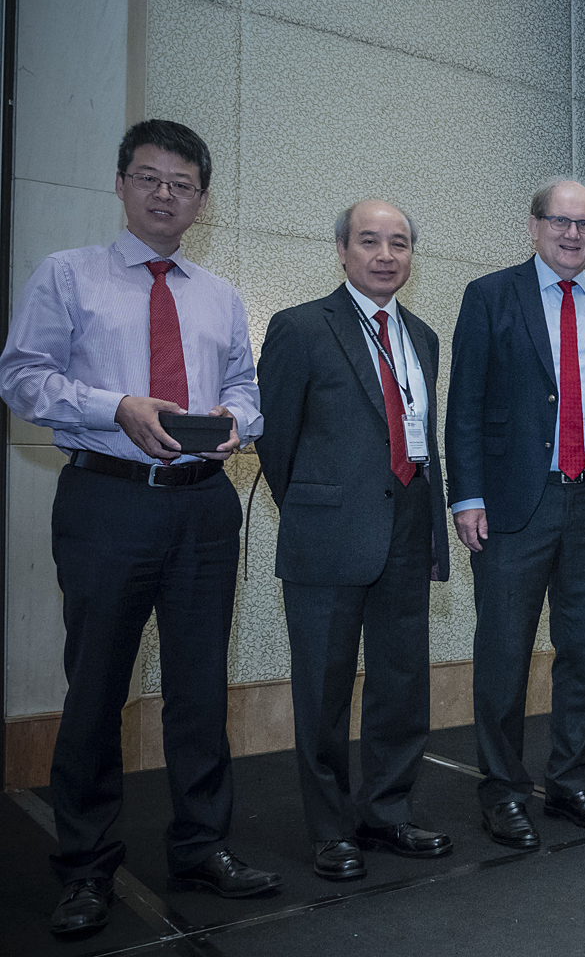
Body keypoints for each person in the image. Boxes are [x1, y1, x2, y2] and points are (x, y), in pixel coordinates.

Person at [0, 119, 280, 936]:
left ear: (202, 200)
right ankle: (86, 867)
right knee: (95, 688)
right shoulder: (67, 275)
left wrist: (236, 422)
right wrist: (113, 405)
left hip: (204, 504)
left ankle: (201, 846)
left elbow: (246, 389)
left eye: (182, 184)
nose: (165, 194)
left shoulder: (220, 294)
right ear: (121, 184)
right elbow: (22, 378)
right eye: (150, 178)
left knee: (200, 688)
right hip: (108, 500)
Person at [257, 200, 453, 881]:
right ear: (341, 249)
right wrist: (317, 509)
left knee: (402, 685)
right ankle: (330, 829)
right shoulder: (300, 327)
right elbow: (276, 443)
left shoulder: (423, 336)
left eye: (399, 243)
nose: (385, 255)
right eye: (369, 241)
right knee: (324, 691)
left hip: (408, 528)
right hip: (327, 536)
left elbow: (422, 438)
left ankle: (387, 813)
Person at [446, 178, 585, 850]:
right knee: (504, 653)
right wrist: (467, 496)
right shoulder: (489, 295)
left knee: (583, 654)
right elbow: (465, 404)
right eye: (560, 221)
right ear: (533, 226)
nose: (572, 234)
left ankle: (570, 781)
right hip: (513, 505)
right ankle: (502, 790)